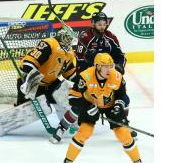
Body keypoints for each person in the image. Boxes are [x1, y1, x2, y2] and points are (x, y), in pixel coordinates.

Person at [49, 12, 136, 144]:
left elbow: (120, 55)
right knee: (79, 104)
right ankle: (61, 128)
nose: (102, 27)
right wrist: (90, 61)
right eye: (99, 24)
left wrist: (119, 66)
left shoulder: (110, 37)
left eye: (104, 24)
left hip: (108, 73)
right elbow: (79, 60)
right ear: (93, 24)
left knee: (122, 99)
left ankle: (124, 124)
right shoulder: (85, 37)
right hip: (90, 76)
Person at [61, 53, 144, 163]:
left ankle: (137, 161)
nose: (109, 69)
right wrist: (87, 106)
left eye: (111, 66)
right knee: (84, 132)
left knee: (124, 133)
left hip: (111, 106)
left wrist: (118, 105)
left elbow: (123, 96)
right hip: (89, 105)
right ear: (97, 66)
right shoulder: (85, 76)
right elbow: (73, 98)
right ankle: (68, 161)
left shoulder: (117, 76)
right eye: (105, 67)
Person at [0, 25, 77, 137]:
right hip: (31, 81)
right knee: (28, 110)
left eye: (71, 38)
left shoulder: (70, 52)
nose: (70, 40)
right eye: (68, 37)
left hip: (50, 83)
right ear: (61, 35)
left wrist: (82, 85)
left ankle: (70, 123)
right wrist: (30, 81)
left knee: (65, 92)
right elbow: (28, 63)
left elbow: (70, 72)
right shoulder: (49, 44)